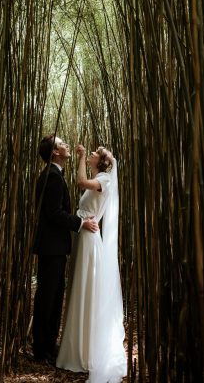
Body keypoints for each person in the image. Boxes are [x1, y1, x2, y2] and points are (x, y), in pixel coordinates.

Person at [56, 144, 127, 382]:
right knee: (79, 286)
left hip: (89, 236)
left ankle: (85, 351)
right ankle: (78, 345)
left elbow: (80, 183)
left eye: (96, 154)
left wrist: (82, 157)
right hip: (84, 235)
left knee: (84, 288)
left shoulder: (104, 180)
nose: (92, 155)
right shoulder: (99, 177)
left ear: (103, 162)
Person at [32, 135, 99, 364]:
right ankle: (42, 350)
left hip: (54, 246)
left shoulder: (54, 175)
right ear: (54, 153)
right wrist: (81, 223)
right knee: (47, 297)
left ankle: (48, 345)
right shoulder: (52, 177)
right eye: (62, 144)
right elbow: (54, 213)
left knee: (53, 295)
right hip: (52, 247)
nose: (66, 146)